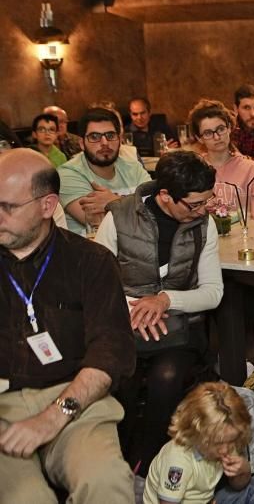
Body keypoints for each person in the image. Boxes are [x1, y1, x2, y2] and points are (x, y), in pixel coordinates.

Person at [0, 148, 136, 503]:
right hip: (3, 404)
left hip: (76, 400)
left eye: (8, 207)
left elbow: (110, 352)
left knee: (106, 482)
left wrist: (53, 416)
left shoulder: (90, 262)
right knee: (26, 499)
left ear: (47, 206)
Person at [95, 151, 222, 476]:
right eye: (194, 204)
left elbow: (213, 292)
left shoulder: (204, 225)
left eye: (206, 201)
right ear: (165, 196)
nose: (203, 210)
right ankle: (112, 463)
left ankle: (143, 465)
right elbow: (97, 285)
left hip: (180, 328)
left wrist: (165, 300)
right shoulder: (118, 218)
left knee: (165, 379)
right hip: (124, 324)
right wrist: (138, 310)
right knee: (121, 380)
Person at [144, 382, 254, 504]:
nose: (225, 449)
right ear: (199, 433)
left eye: (231, 441)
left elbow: (238, 486)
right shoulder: (178, 460)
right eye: (218, 443)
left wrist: (242, 472)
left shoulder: (226, 439)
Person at [58, 107, 152, 235]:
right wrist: (134, 204)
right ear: (81, 143)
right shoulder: (68, 174)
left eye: (110, 135)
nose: (104, 143)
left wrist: (114, 201)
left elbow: (155, 213)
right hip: (91, 251)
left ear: (119, 139)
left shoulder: (134, 167)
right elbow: (100, 223)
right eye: (94, 136)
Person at [190, 99, 254, 221]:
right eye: (208, 133)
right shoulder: (192, 169)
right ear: (199, 138)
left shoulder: (252, 170)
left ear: (230, 128)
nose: (217, 137)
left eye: (220, 129)